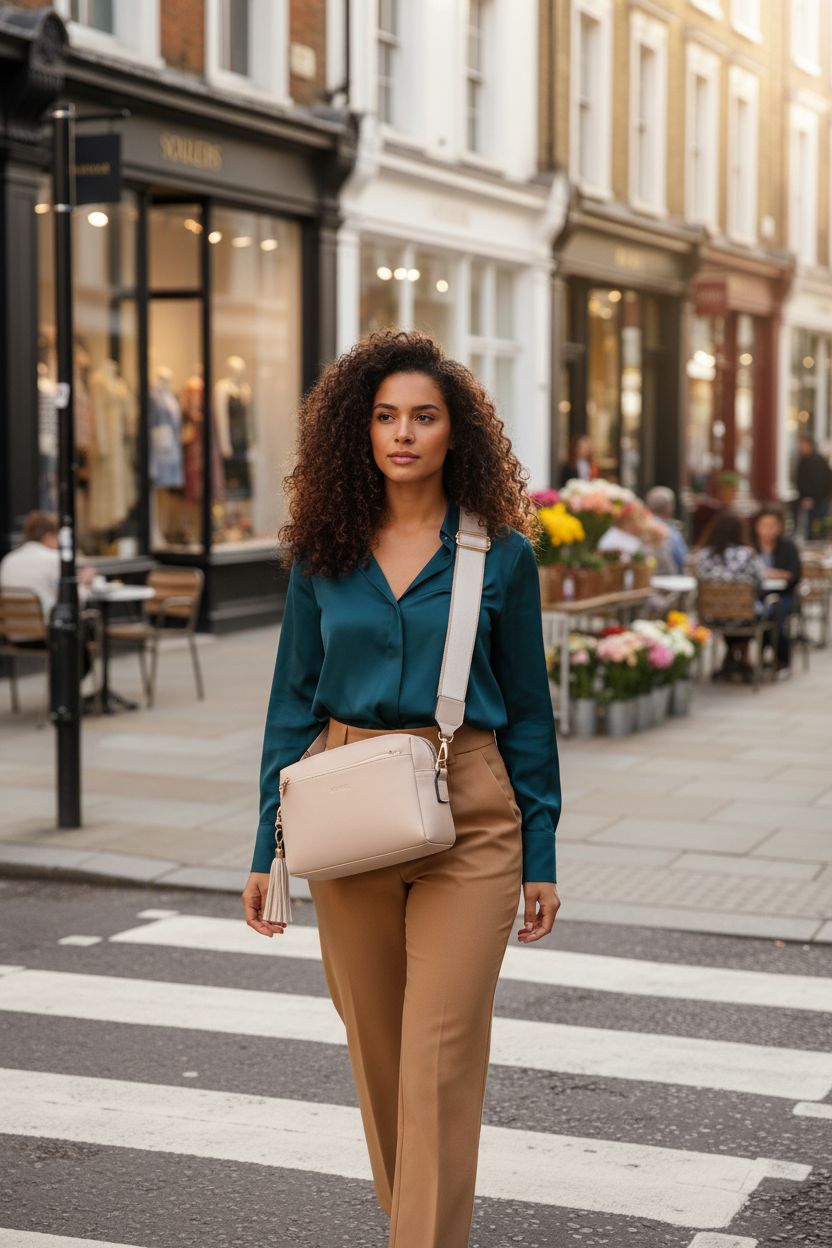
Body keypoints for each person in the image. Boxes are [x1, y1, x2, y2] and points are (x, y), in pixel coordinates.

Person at [241, 329, 562, 1248]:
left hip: (474, 810)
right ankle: (414, 1217)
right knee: (379, 1052)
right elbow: (290, 704)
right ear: (361, 431)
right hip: (345, 803)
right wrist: (267, 848)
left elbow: (529, 714)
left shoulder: (501, 555)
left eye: (424, 416)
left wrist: (541, 851)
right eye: (385, 417)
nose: (404, 434)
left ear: (457, 432)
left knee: (440, 1058)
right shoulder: (323, 553)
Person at [0, 511, 95, 676]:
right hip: (49, 636)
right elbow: (77, 601)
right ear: (49, 536)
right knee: (83, 628)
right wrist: (84, 583)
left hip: (13, 634)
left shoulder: (8, 559)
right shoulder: (54, 559)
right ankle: (69, 687)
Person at [695, 510, 767, 682]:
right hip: (744, 616)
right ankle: (743, 658)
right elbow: (760, 582)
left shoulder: (704, 555)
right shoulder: (748, 554)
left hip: (711, 616)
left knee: (732, 609)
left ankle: (731, 657)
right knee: (754, 609)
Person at [752, 504, 802, 672]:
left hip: (783, 595)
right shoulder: (751, 546)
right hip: (758, 595)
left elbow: (793, 574)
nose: (767, 530)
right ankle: (739, 656)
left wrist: (771, 573)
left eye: (772, 526)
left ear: (780, 527)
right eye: (764, 525)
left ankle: (781, 658)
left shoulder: (788, 547)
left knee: (775, 613)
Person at [795, 434, 832, 539]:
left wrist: (811, 497)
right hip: (811, 500)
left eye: (802, 445)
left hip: (816, 501)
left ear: (809, 445)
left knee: (815, 529)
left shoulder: (815, 461)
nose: (800, 447)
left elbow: (819, 482)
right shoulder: (805, 459)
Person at [645, 485, 689, 573]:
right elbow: (682, 560)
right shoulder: (672, 532)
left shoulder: (639, 528)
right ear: (669, 508)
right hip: (669, 579)